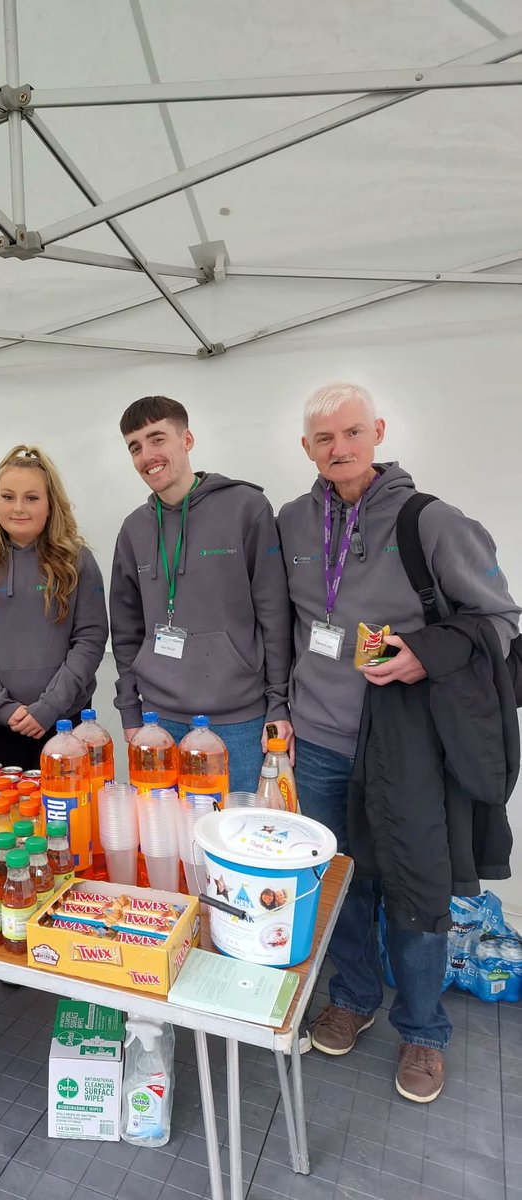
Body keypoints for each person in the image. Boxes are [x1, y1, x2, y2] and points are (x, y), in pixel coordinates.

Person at [277, 381, 520, 1104]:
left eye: (352, 433)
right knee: (342, 885)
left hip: (407, 749)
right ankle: (353, 996)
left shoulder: (431, 521)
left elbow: (502, 620)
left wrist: (423, 653)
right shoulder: (291, 523)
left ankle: (423, 1032)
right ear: (307, 448)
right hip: (317, 743)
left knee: (415, 892)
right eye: (324, 439)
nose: (339, 448)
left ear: (377, 432)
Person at [110, 395, 292, 791]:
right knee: (164, 844)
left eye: (157, 439)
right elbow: (124, 630)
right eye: (135, 447)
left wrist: (278, 704)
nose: (147, 456)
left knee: (237, 839)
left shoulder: (247, 508)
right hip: (158, 720)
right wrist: (129, 711)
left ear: (187, 439)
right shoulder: (134, 529)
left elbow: (275, 616)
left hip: (238, 721)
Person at [0, 445, 108, 770]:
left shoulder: (77, 561)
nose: (18, 508)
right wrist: (2, 708)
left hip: (66, 721)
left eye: (31, 498)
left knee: (67, 815)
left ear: (51, 504)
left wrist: (50, 707)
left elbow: (89, 642)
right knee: (9, 817)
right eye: (8, 497)